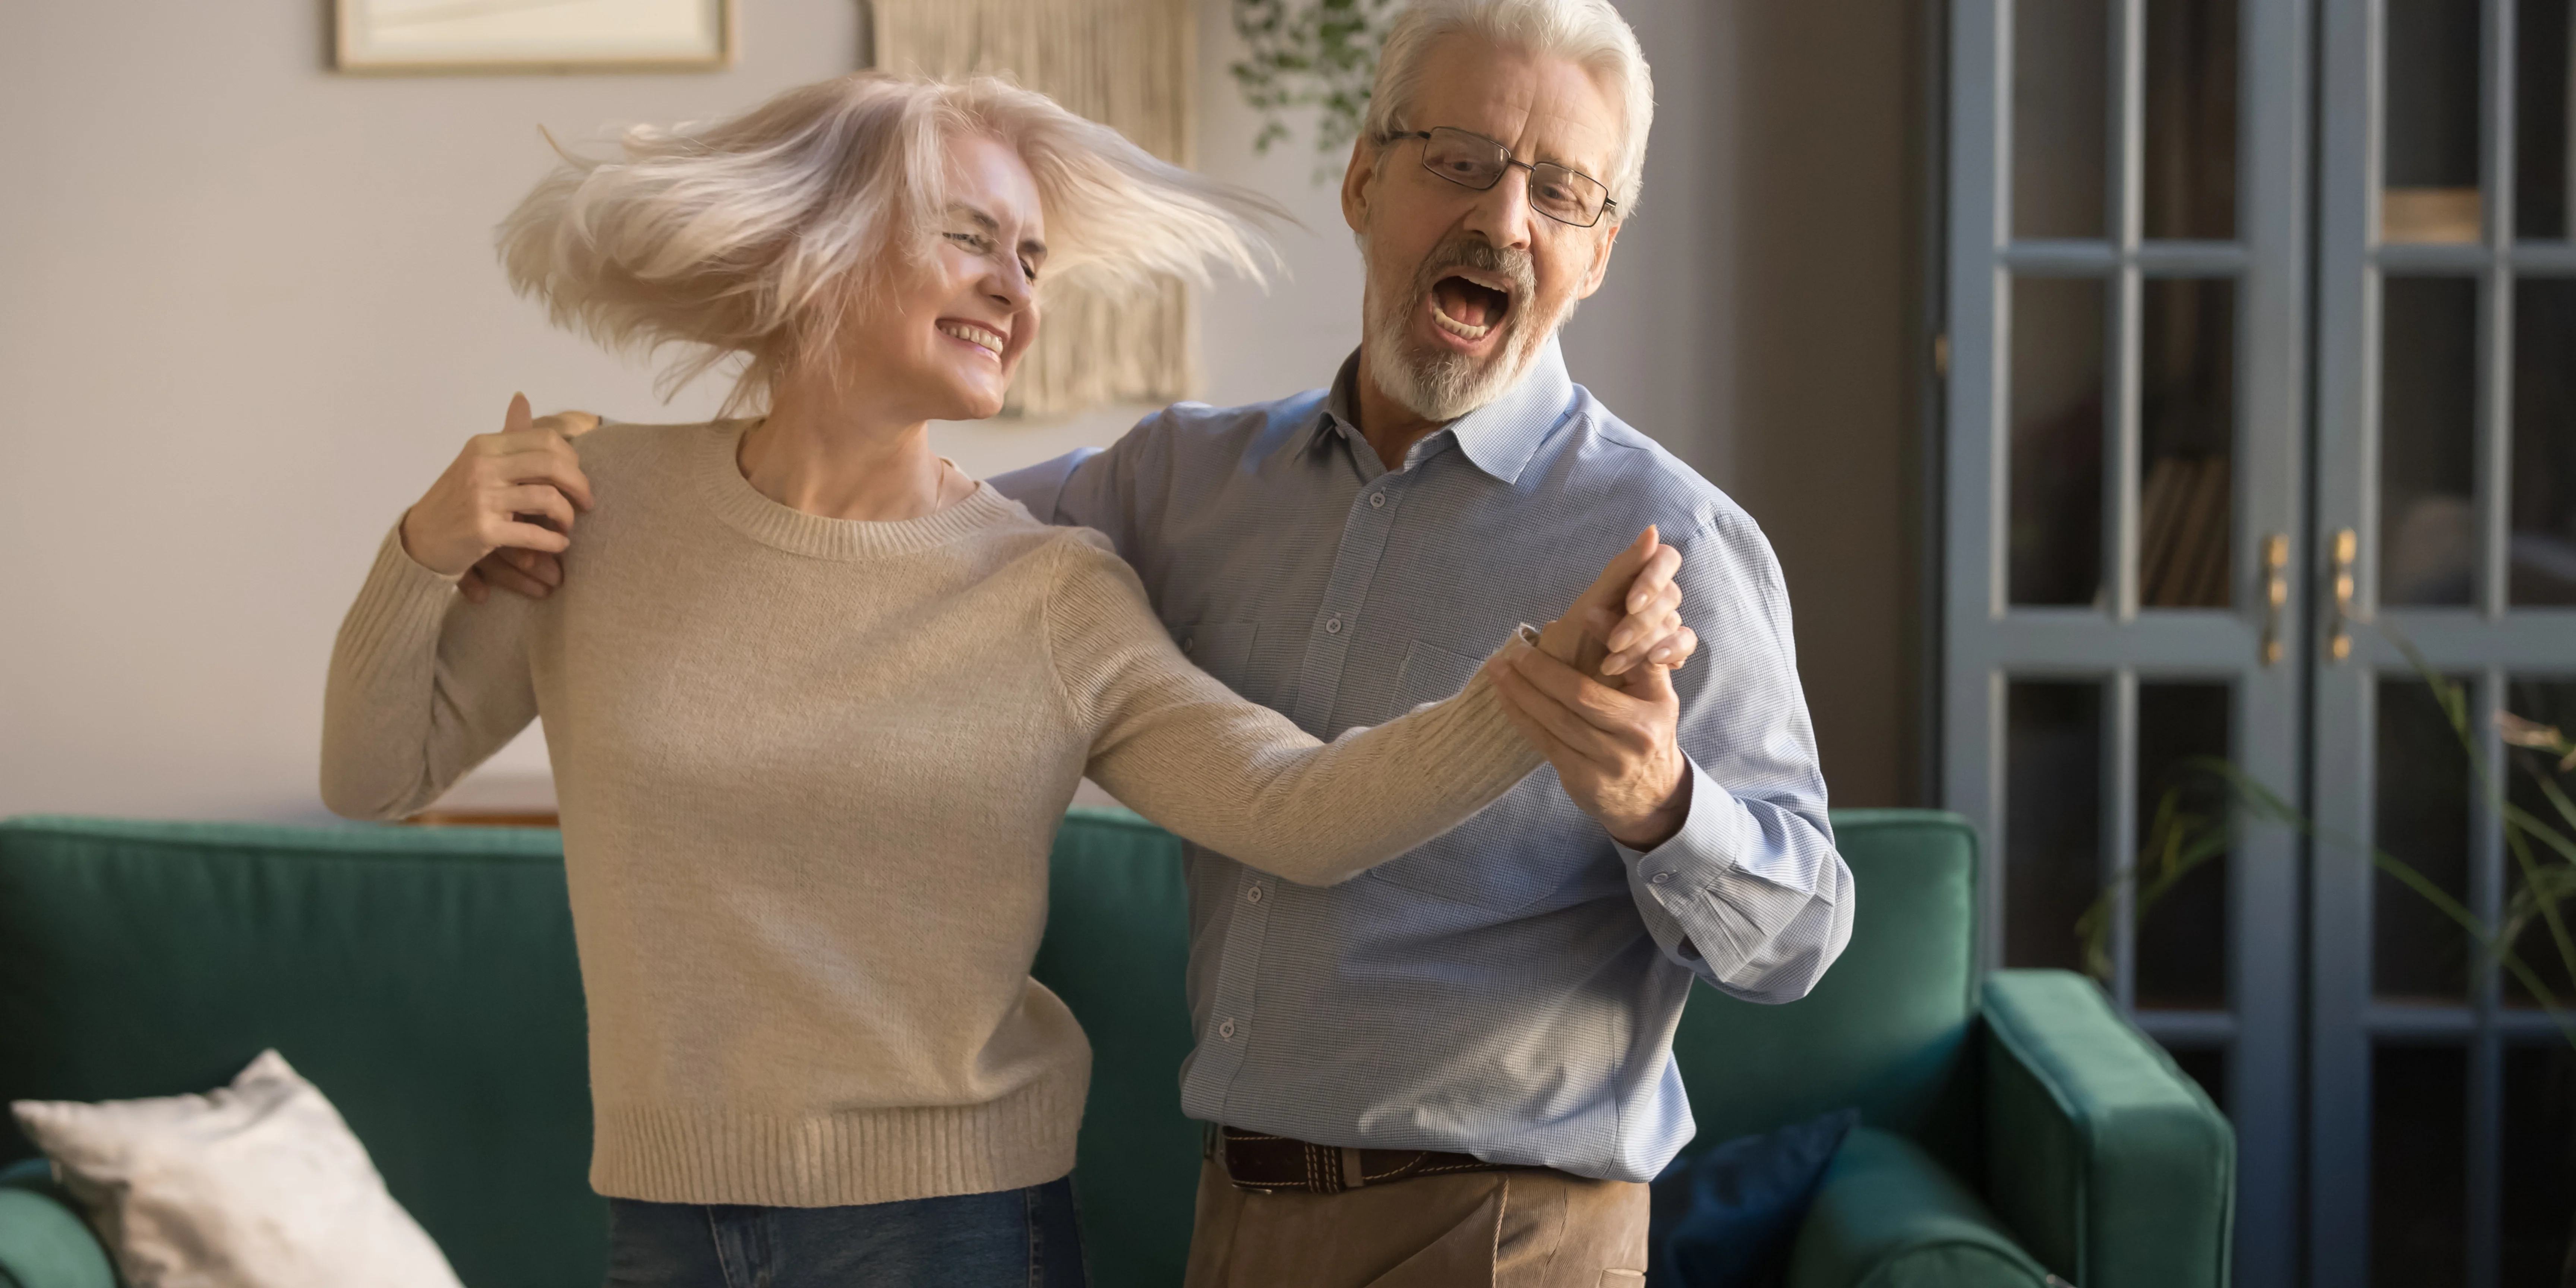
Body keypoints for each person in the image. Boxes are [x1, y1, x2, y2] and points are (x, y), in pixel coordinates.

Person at [471, 1, 1849, 1280]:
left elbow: (1800, 939)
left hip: (1513, 1229)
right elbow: (883, 555)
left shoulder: (1672, 544)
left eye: (1561, 193)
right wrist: (597, 511)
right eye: (1463, 158)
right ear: (1367, 182)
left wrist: (1660, 806)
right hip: (1242, 1214)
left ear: (1598, 251)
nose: (1504, 218)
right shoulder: (1179, 486)